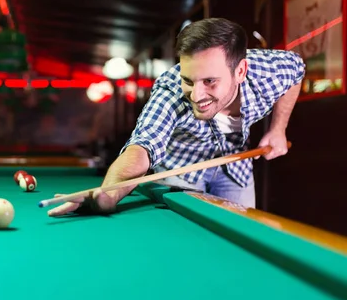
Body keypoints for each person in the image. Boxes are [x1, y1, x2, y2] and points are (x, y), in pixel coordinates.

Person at [48, 18, 305, 217]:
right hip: (180, 175)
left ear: (240, 71)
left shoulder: (269, 71)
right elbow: (142, 148)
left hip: (235, 169)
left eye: (210, 81)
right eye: (188, 80)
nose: (196, 94)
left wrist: (278, 129)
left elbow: (297, 68)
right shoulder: (170, 90)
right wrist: (107, 194)